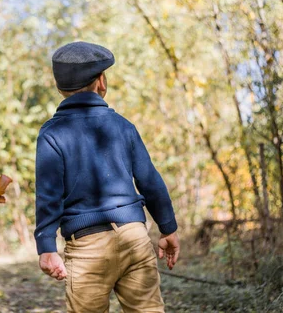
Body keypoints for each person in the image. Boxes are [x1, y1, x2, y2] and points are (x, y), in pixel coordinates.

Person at [34, 41, 180, 312]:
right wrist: (168, 228)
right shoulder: (123, 126)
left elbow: (48, 195)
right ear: (101, 81)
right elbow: (150, 181)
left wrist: (46, 245)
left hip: (86, 247)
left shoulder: (52, 134)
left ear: (59, 88)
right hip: (133, 238)